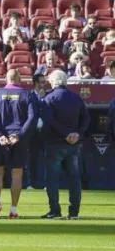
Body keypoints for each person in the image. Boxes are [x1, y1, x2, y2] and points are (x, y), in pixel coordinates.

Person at [0, 69, 37, 219]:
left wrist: (0, 134)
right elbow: (32, 118)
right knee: (17, 175)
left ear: (6, 79)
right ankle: (13, 210)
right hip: (19, 140)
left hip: (1, 139)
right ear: (19, 79)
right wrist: (19, 135)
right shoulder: (28, 94)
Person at [40, 70, 90, 220]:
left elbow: (49, 121)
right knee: (74, 178)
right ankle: (74, 212)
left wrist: (65, 134)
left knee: (52, 179)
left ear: (52, 82)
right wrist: (77, 134)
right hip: (73, 145)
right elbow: (86, 119)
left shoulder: (49, 99)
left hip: (55, 143)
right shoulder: (76, 98)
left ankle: (55, 211)